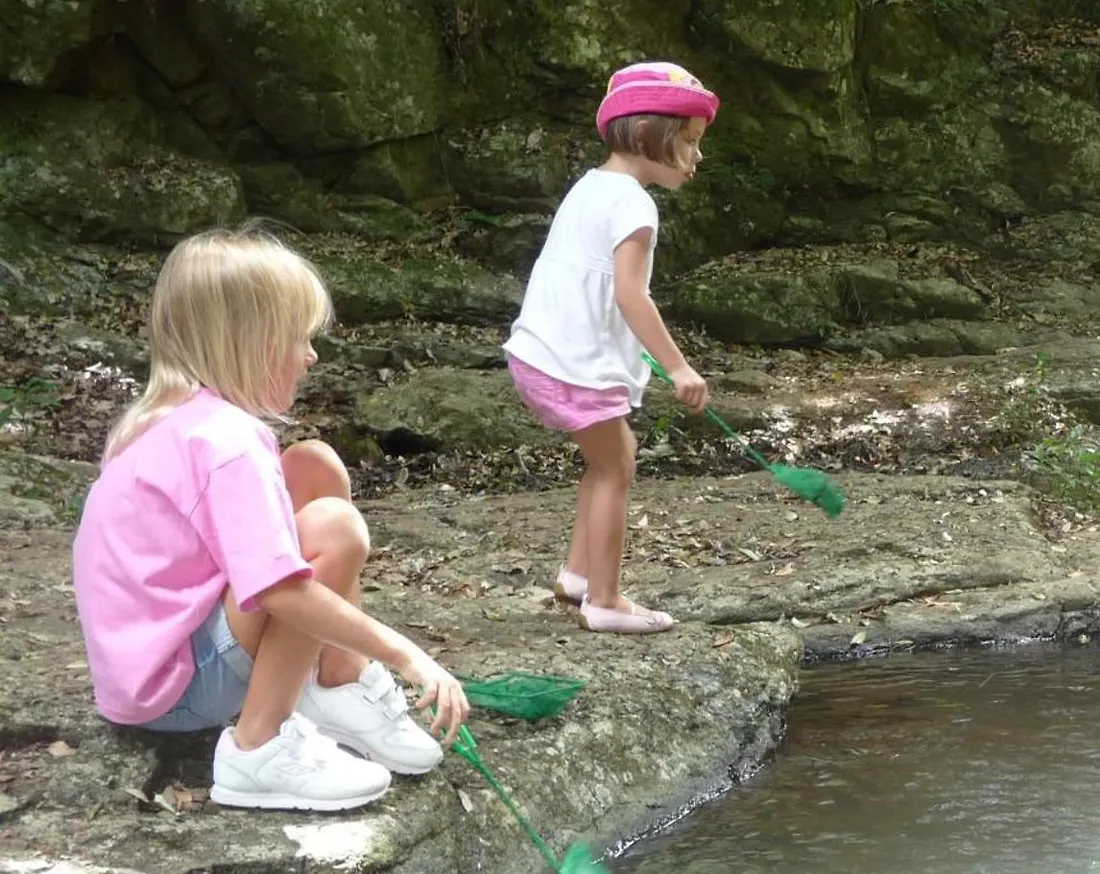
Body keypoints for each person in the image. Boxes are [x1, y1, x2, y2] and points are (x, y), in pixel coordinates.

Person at [71, 227, 469, 812]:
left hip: (142, 675)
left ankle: (335, 683)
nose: (311, 356)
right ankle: (258, 748)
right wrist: (407, 655)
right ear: (246, 340)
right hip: (177, 692)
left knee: (313, 466)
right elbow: (279, 589)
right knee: (333, 528)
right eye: (298, 338)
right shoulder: (228, 440)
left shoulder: (155, 421)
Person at [503, 60, 719, 634]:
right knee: (617, 463)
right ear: (653, 135)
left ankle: (577, 576)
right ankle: (605, 600)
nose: (698, 157)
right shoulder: (635, 205)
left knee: (602, 463)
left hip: (539, 353)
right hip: (571, 364)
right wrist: (678, 367)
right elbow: (630, 296)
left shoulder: (591, 186)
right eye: (691, 142)